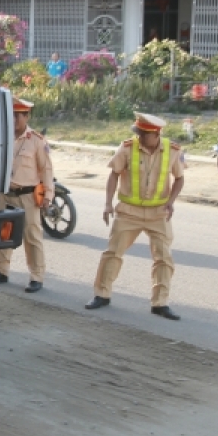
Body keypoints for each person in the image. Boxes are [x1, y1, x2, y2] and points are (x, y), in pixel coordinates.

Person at [85, 112, 184, 321]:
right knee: (113, 253)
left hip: (158, 213)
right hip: (129, 211)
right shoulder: (128, 147)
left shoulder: (173, 150)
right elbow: (114, 174)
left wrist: (171, 201)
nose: (139, 136)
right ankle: (102, 294)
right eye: (138, 132)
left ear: (156, 134)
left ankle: (160, 303)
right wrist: (108, 203)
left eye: (144, 134)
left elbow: (179, 178)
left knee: (164, 258)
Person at [0, 97, 54, 292]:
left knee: (32, 236)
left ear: (26, 117)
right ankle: (0, 271)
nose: (14, 120)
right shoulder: (1, 137)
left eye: (18, 116)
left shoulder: (36, 141)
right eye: (11, 115)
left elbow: (46, 170)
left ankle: (36, 276)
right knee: (2, 233)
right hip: (5, 193)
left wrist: (48, 195)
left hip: (27, 195)